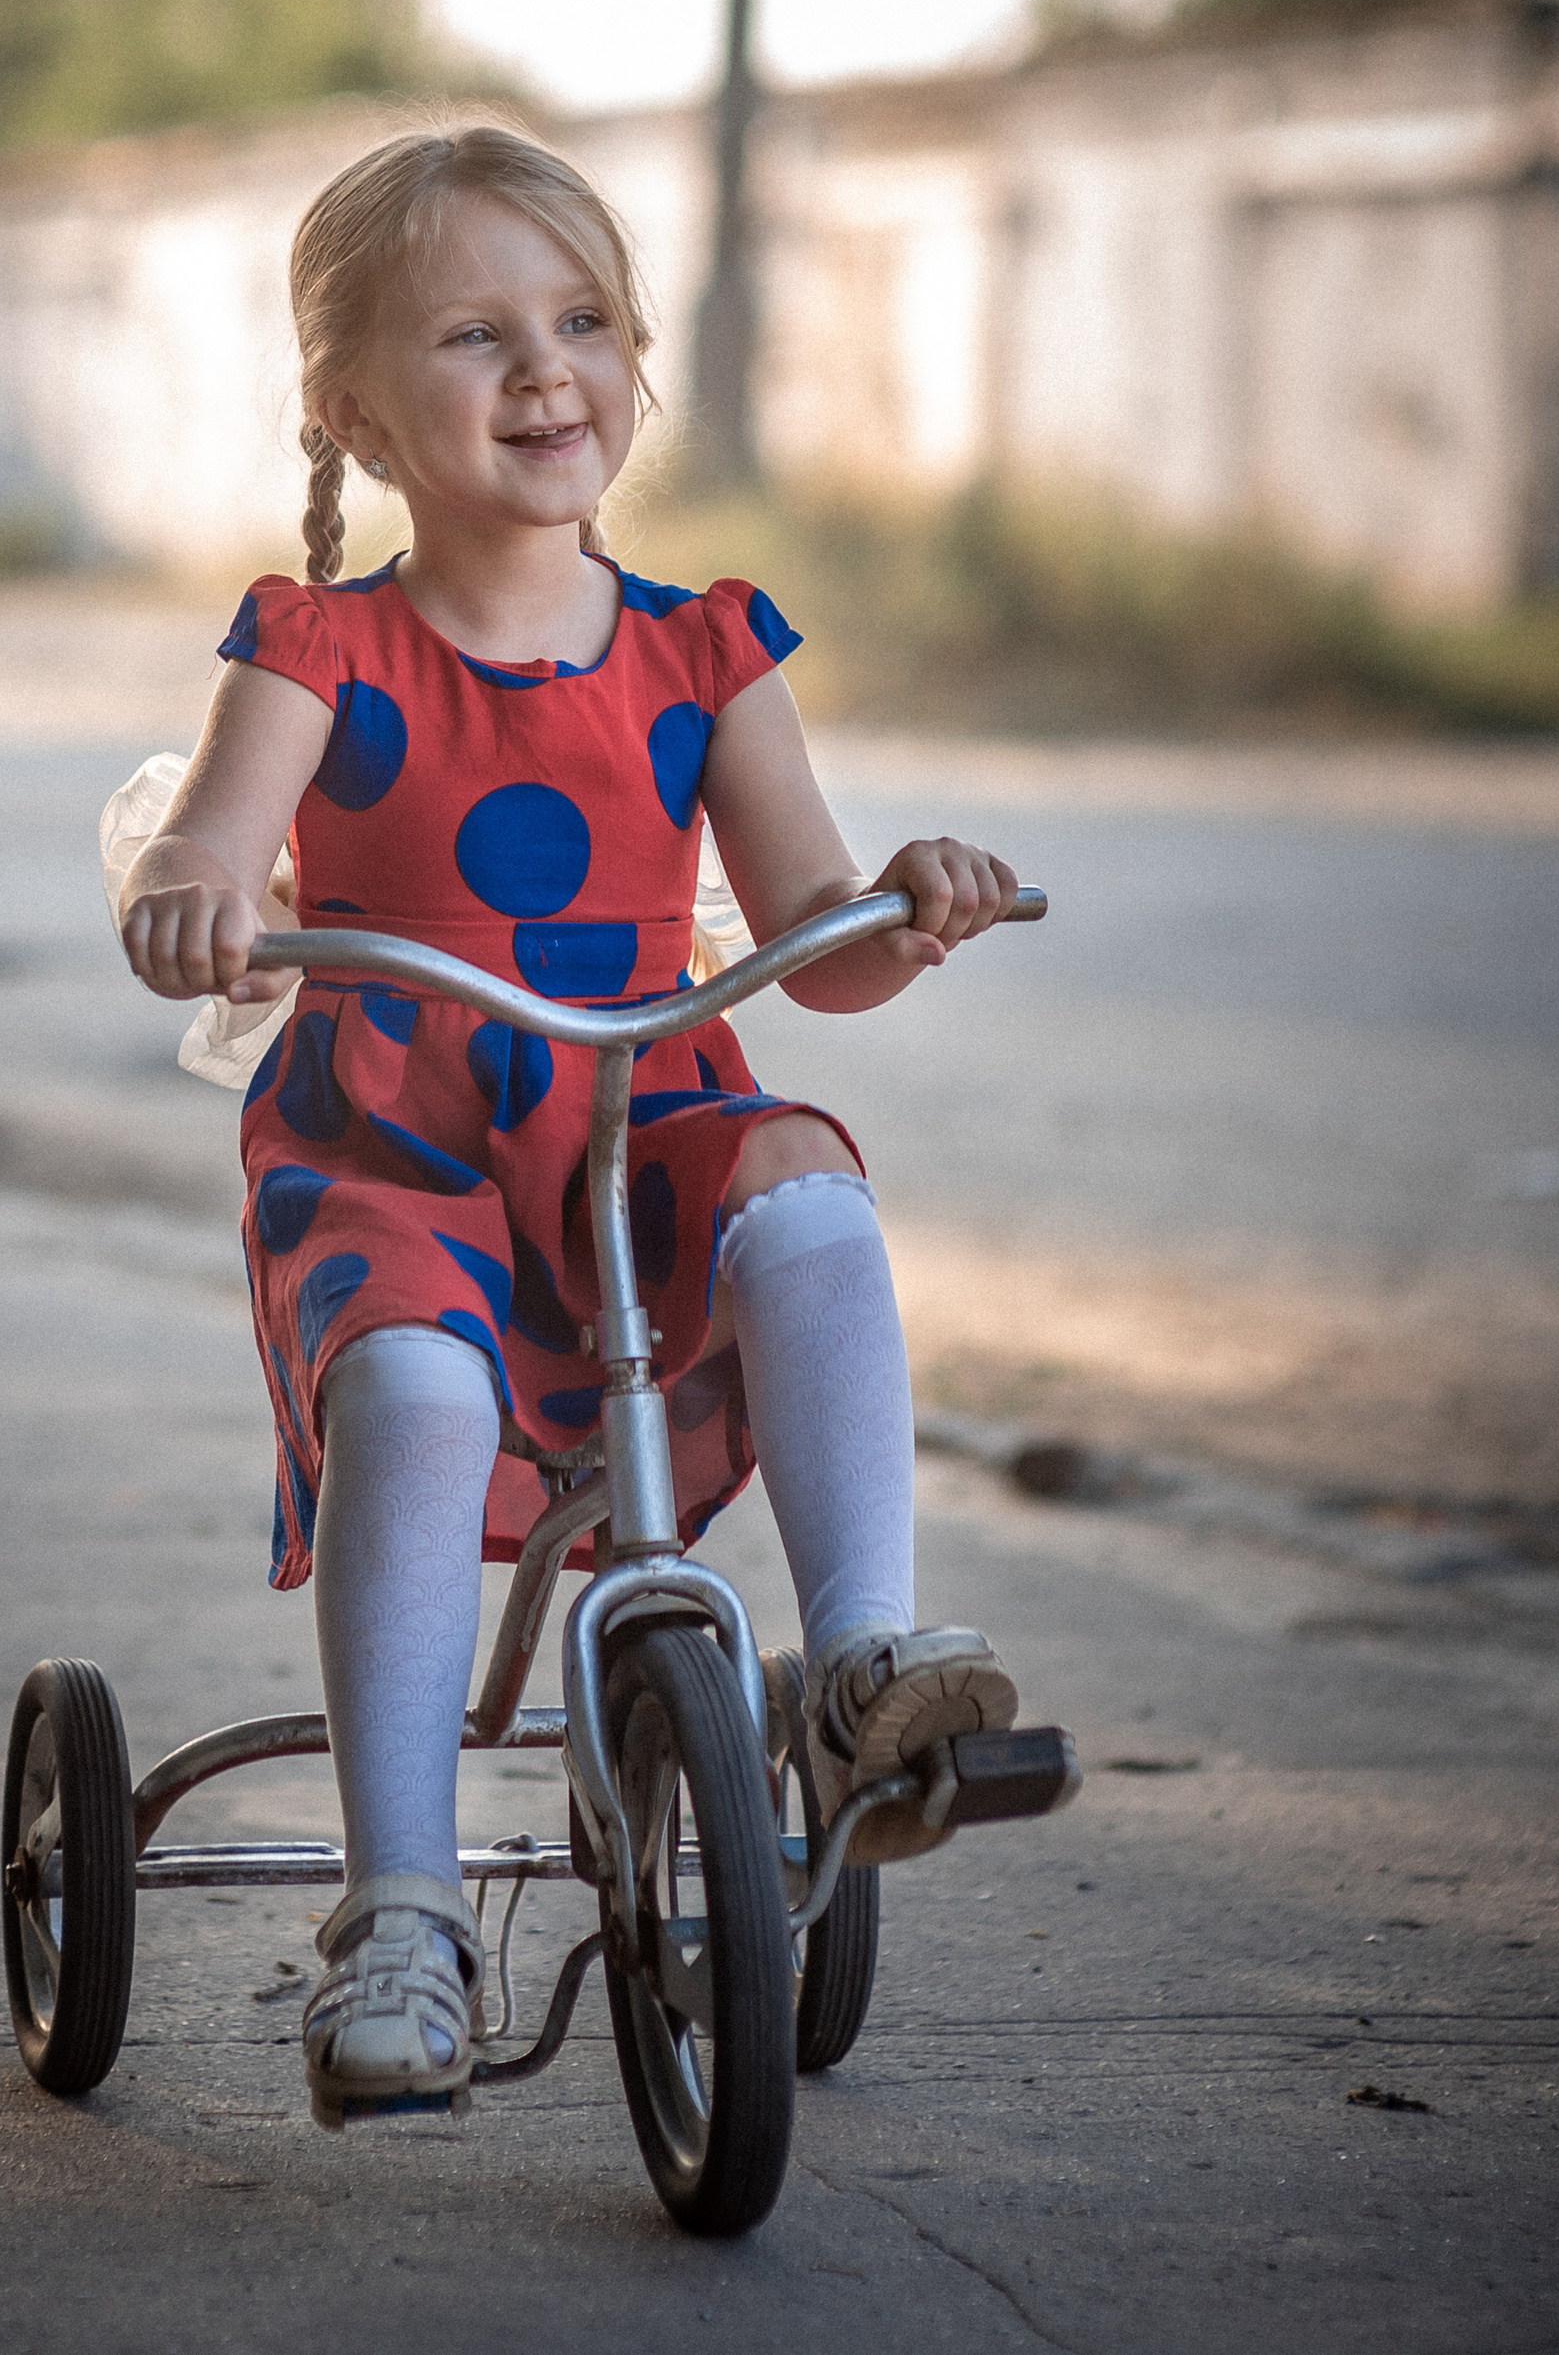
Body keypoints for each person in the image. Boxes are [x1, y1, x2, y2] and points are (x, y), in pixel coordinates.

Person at [118, 123, 1022, 2126]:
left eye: (582, 320)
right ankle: (403, 1909)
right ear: (350, 407)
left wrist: (909, 907)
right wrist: (188, 886)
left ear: (631, 360)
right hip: (400, 1141)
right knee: (417, 1399)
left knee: (798, 1172)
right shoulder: (315, 645)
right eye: (473, 333)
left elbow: (814, 952)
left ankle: (862, 1664)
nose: (544, 370)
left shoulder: (705, 650)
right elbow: (204, 839)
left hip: (636, 1112)